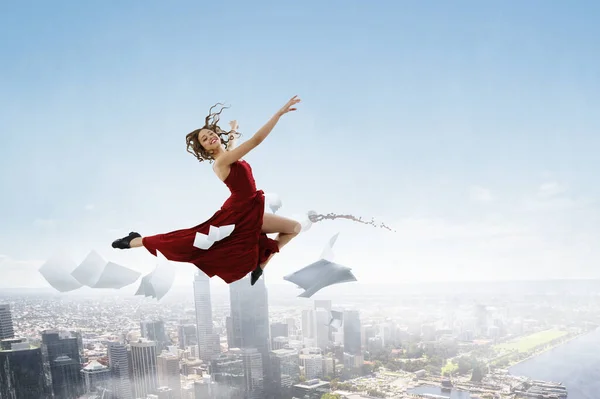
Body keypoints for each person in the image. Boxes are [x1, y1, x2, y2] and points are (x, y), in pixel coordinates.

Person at [111, 96, 302, 286]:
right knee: (189, 240)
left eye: (210, 133)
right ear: (205, 149)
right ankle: (135, 241)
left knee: (294, 228)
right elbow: (255, 141)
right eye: (205, 139)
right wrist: (278, 114)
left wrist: (234, 129)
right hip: (239, 213)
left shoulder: (227, 155)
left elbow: (231, 147)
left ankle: (261, 264)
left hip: (249, 207)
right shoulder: (221, 162)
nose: (210, 137)